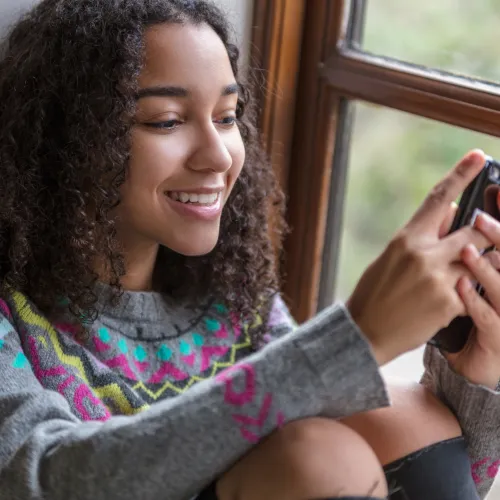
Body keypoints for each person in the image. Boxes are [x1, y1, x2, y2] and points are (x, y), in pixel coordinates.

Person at [0, 1, 499, 499]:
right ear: (68, 137)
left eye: (226, 116)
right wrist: (357, 339)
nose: (218, 155)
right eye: (167, 120)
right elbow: (42, 479)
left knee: (405, 417)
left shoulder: (229, 299)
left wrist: (472, 378)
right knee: (319, 457)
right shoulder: (11, 322)